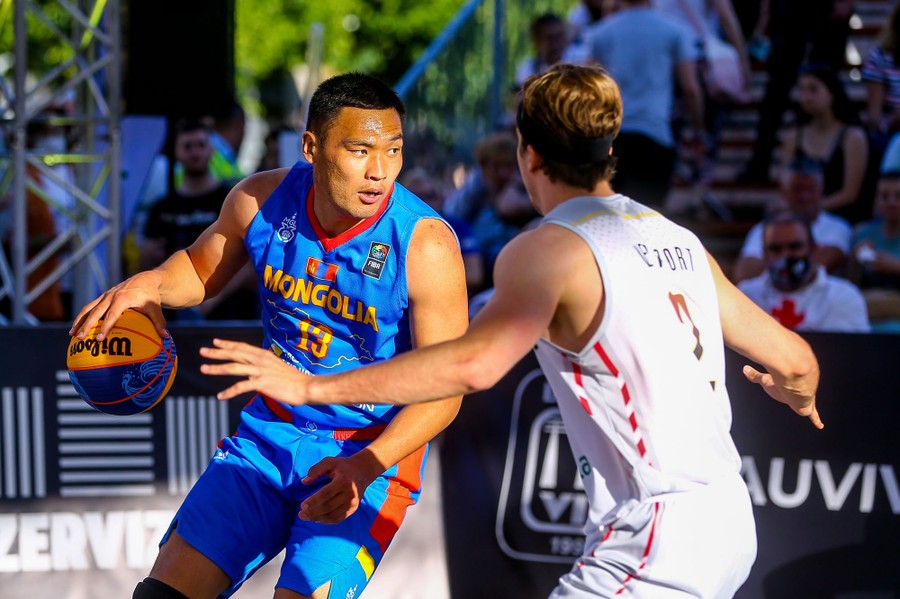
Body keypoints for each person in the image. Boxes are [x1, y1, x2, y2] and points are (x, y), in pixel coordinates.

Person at [200, 64, 822, 599]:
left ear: (528, 154)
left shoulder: (546, 249)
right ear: (610, 150)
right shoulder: (676, 239)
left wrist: (312, 389)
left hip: (656, 528)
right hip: (730, 520)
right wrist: (796, 392)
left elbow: (468, 366)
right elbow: (795, 360)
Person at [69, 72, 469, 599]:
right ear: (312, 147)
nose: (379, 172)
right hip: (268, 437)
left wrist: (368, 463)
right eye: (359, 150)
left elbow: (447, 389)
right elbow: (197, 271)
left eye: (393, 151)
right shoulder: (259, 199)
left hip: (366, 455)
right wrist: (150, 285)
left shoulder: (426, 244)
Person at [584, 0, 706, 210]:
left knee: (611, 216)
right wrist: (698, 130)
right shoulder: (674, 30)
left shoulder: (601, 33)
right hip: (655, 134)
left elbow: (588, 89)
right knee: (649, 215)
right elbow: (691, 88)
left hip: (612, 136)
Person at [737, 0, 854, 183]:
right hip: (788, 10)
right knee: (777, 89)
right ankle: (761, 161)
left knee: (823, 82)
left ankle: (823, 162)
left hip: (826, 9)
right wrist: (766, 9)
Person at [738, 214, 870, 332]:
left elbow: (854, 353)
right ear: (764, 254)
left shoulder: (843, 296)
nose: (786, 255)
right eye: (776, 249)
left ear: (813, 249)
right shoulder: (745, 297)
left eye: (795, 247)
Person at [732, 157, 852, 283]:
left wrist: (772, 263)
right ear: (783, 191)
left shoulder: (838, 227)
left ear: (821, 191)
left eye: (811, 189)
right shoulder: (763, 228)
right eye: (797, 189)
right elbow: (744, 273)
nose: (804, 196)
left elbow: (821, 265)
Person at [776, 62, 869, 224]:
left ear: (831, 92)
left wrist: (811, 209)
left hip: (842, 219)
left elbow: (850, 194)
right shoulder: (793, 136)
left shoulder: (853, 136)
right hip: (800, 219)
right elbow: (785, 184)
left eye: (813, 89)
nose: (806, 97)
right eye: (802, 90)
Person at [850, 170, 900, 331]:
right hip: (866, 318)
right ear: (876, 201)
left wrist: (893, 265)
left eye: (898, 196)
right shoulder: (862, 233)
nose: (891, 202)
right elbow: (850, 285)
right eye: (884, 196)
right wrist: (855, 259)